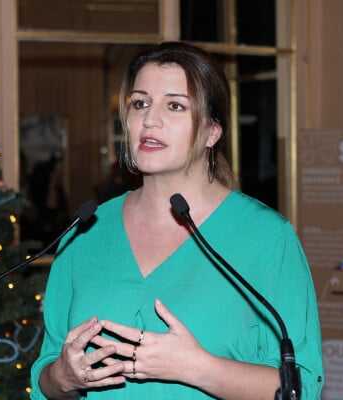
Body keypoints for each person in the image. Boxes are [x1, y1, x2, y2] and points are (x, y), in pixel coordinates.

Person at [30, 41, 324, 400]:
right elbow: (46, 378)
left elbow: (302, 388)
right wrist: (62, 377)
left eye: (175, 105)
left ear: (212, 132)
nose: (150, 120)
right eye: (140, 103)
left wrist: (198, 369)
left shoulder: (267, 238)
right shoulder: (86, 231)